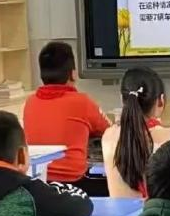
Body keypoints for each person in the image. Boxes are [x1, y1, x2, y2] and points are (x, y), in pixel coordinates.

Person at [23, 40, 110, 194]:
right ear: (73, 73)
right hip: (75, 184)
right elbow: (110, 132)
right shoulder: (82, 102)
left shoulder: (30, 102)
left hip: (38, 184)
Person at [101, 67, 170, 199]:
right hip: (157, 212)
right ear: (161, 101)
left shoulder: (109, 136)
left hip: (122, 213)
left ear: (122, 100)